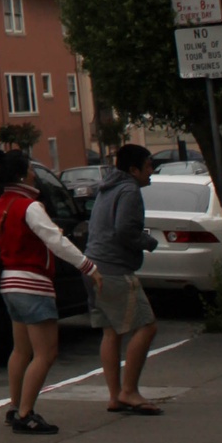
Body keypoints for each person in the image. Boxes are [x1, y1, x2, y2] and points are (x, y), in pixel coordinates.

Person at [0, 151, 100, 436]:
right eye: (30, 169)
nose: (34, 174)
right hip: (33, 283)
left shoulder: (3, 203)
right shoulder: (30, 206)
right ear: (22, 175)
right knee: (46, 352)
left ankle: (15, 406)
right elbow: (56, 241)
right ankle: (26, 414)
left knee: (21, 350)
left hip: (10, 282)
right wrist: (88, 266)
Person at [86, 144, 160, 413]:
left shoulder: (107, 188)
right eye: (148, 166)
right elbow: (124, 230)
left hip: (93, 265)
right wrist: (148, 242)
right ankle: (129, 391)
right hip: (114, 269)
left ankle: (115, 396)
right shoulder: (129, 190)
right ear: (133, 170)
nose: (151, 171)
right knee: (147, 326)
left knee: (111, 331)